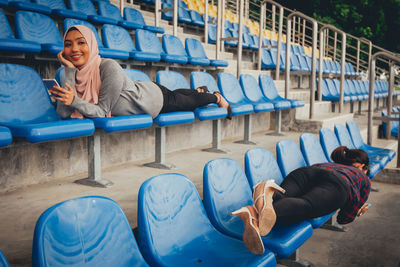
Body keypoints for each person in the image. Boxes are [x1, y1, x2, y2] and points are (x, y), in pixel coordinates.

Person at [50, 25, 232, 120]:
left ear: (91, 44)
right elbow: (64, 113)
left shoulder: (108, 66)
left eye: (81, 42)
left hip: (150, 100)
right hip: (145, 91)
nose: (74, 49)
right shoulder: (73, 72)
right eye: (68, 44)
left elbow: (100, 111)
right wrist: (70, 71)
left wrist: (74, 100)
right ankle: (199, 90)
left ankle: (215, 97)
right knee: (177, 95)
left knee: (186, 102)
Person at [231, 146, 371, 254]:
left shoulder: (328, 163)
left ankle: (268, 192)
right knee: (307, 205)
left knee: (286, 203)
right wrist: (357, 211)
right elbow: (344, 218)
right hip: (336, 184)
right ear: (362, 167)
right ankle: (254, 216)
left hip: (305, 172)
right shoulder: (362, 178)